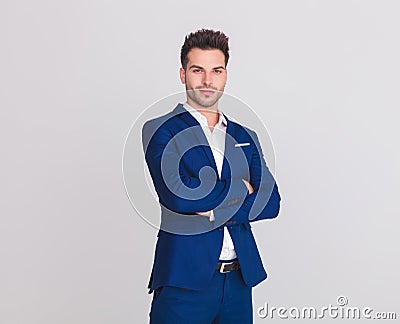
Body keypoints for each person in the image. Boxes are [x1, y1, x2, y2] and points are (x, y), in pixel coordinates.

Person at [141, 29, 281, 324]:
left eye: (216, 70)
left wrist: (212, 205)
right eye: (197, 70)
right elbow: (179, 196)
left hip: (239, 281)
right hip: (183, 280)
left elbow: (270, 202)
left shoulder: (246, 136)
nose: (207, 81)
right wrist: (241, 189)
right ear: (183, 74)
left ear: (226, 75)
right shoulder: (160, 130)